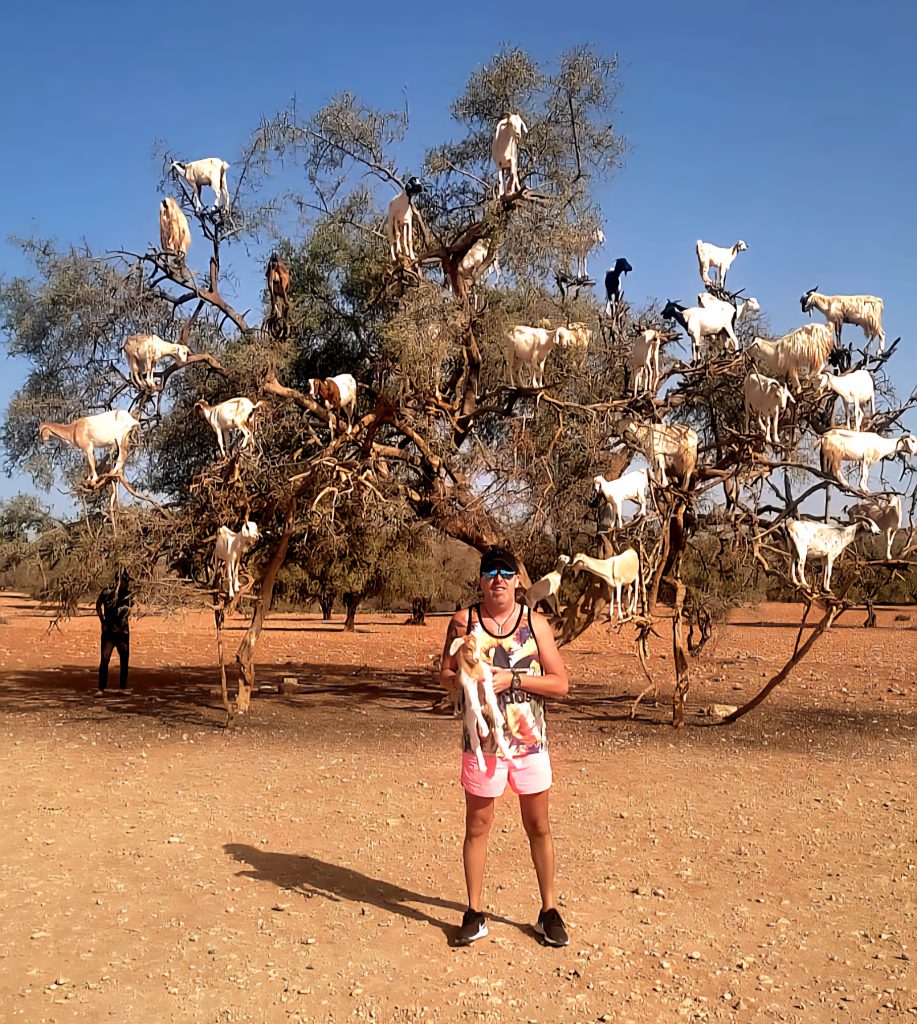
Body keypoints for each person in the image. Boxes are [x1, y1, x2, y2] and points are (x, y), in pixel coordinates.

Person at [438, 547, 569, 947]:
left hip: (529, 741)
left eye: (506, 572)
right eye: (490, 571)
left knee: (539, 825)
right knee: (477, 826)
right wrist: (464, 676)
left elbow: (560, 683)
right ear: (480, 579)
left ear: (516, 580)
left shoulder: (536, 623)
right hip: (482, 743)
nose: (498, 578)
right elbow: (443, 675)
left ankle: (548, 911)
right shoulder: (464, 621)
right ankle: (474, 912)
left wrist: (511, 680)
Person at [96, 571, 131, 695]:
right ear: (120, 581)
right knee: (105, 660)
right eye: (126, 581)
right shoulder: (106, 592)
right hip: (109, 632)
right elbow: (98, 605)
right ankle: (101, 688)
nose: (128, 584)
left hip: (123, 632)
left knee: (124, 660)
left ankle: (122, 688)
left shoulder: (128, 595)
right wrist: (102, 621)